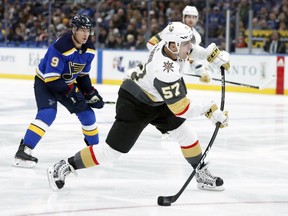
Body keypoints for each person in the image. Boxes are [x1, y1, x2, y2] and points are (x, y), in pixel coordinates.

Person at [47, 22, 230, 192]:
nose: (190, 46)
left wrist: (209, 55)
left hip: (156, 98)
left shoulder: (169, 47)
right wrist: (210, 109)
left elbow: (190, 50)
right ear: (173, 46)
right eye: (186, 44)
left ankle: (200, 173)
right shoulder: (164, 72)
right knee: (111, 152)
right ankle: (66, 165)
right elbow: (181, 108)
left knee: (185, 132)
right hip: (134, 102)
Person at [13, 14, 105, 168]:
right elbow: (52, 79)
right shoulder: (61, 47)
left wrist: (90, 93)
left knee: (88, 115)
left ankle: (94, 152)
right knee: (47, 114)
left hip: (64, 84)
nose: (86, 34)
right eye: (82, 30)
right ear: (74, 29)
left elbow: (82, 75)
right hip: (46, 83)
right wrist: (73, 93)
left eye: (88, 30)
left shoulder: (89, 50)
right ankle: (23, 151)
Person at [147, 5, 211, 83]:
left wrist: (201, 71)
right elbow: (151, 43)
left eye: (194, 17)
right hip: (164, 69)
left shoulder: (197, 37)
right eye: (188, 17)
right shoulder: (174, 28)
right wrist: (162, 57)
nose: (191, 20)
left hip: (177, 70)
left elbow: (192, 58)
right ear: (184, 17)